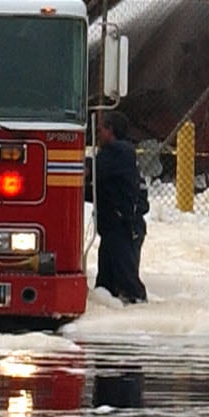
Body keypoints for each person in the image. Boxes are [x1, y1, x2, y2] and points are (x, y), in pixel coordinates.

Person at [92, 119, 149, 304]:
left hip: (122, 226)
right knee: (106, 282)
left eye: (101, 130)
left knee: (126, 280)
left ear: (111, 130)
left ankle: (137, 314)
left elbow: (94, 172)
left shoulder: (116, 153)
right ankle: (111, 309)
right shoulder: (122, 156)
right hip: (116, 225)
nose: (98, 134)